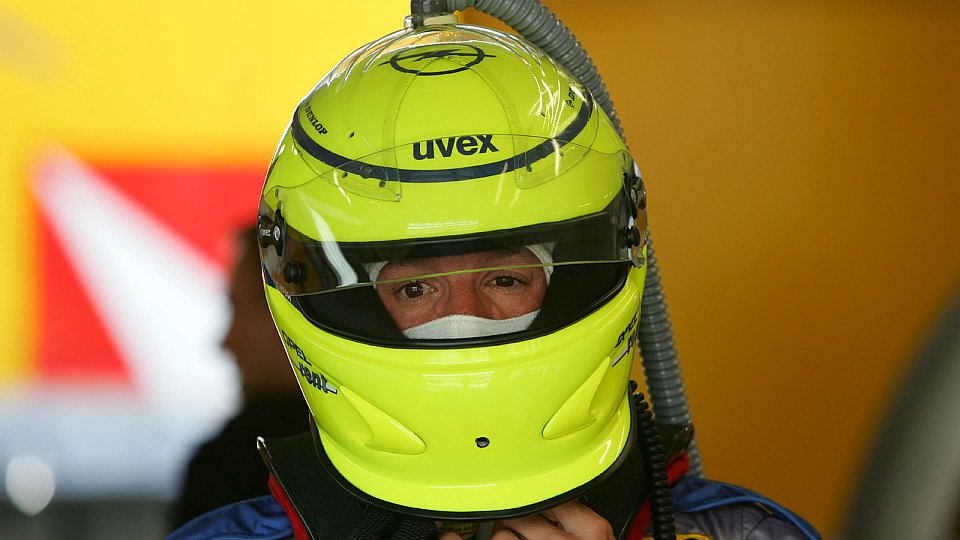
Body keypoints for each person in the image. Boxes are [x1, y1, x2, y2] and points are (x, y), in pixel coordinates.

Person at [169, 14, 820, 540]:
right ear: (356, 303)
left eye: (505, 279)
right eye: (416, 288)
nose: (465, 312)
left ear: (571, 282)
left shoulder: (742, 532)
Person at [170, 227, 307, 527]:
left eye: (236, 307)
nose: (226, 342)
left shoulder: (226, 466)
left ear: (284, 315)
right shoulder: (386, 460)